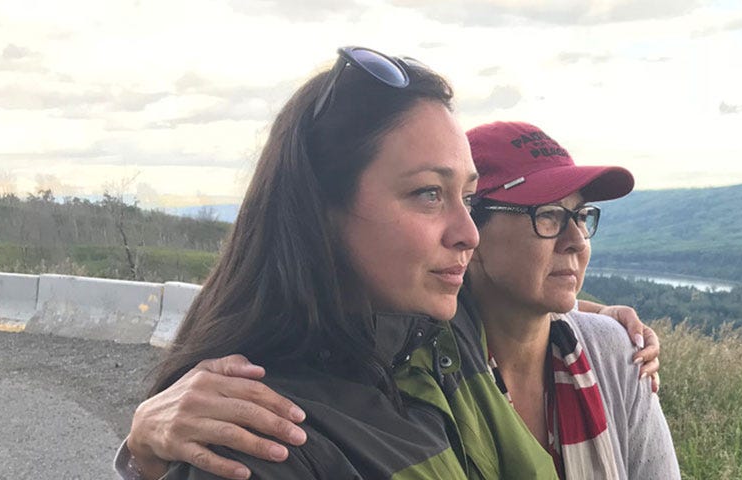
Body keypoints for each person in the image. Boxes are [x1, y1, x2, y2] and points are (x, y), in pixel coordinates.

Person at [117, 47, 668, 479]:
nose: (466, 232)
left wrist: (600, 319)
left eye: (467, 197)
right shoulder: (269, 428)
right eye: (429, 194)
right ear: (321, 210)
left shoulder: (433, 344)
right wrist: (145, 450)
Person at [462, 120, 679, 478]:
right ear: (470, 230)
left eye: (580, 215)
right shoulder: (426, 373)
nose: (577, 240)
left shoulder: (615, 353)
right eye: (548, 215)